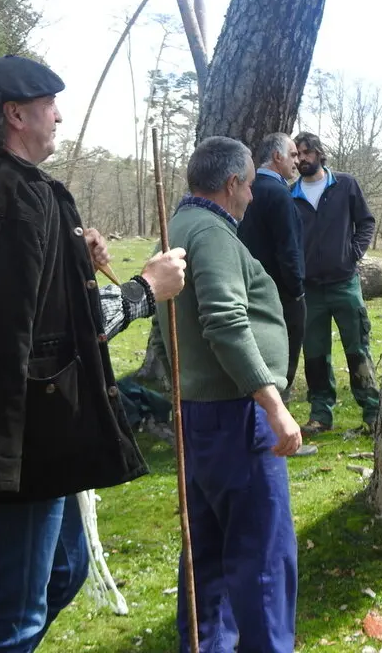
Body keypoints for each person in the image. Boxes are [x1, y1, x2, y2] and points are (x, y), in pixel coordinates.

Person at [0, 55, 187, 652]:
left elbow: (23, 297)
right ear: (15, 114)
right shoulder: (16, 198)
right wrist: (143, 292)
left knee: (65, 571)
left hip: (30, 431)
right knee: (13, 617)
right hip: (21, 433)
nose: (59, 116)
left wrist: (71, 256)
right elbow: (37, 333)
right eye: (49, 104)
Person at [153, 136, 302, 653]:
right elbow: (224, 321)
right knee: (261, 554)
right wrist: (273, 404)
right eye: (250, 186)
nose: (253, 197)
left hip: (198, 412)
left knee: (208, 551)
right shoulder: (212, 234)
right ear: (233, 182)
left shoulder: (180, 226)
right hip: (236, 412)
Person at [292, 132, 380, 435]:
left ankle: (373, 413)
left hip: (345, 283)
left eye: (307, 152)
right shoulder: (291, 195)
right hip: (310, 289)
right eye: (297, 154)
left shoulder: (344, 185)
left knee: (358, 349)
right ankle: (320, 415)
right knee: (315, 355)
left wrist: (352, 253)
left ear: (319, 153)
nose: (302, 159)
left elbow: (366, 222)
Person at [237, 132, 305, 405]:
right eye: (293, 155)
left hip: (246, 290)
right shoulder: (279, 194)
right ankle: (277, 424)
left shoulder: (244, 190)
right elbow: (288, 249)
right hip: (281, 295)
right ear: (277, 156)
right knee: (282, 364)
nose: (297, 161)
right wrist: (297, 290)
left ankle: (256, 420)